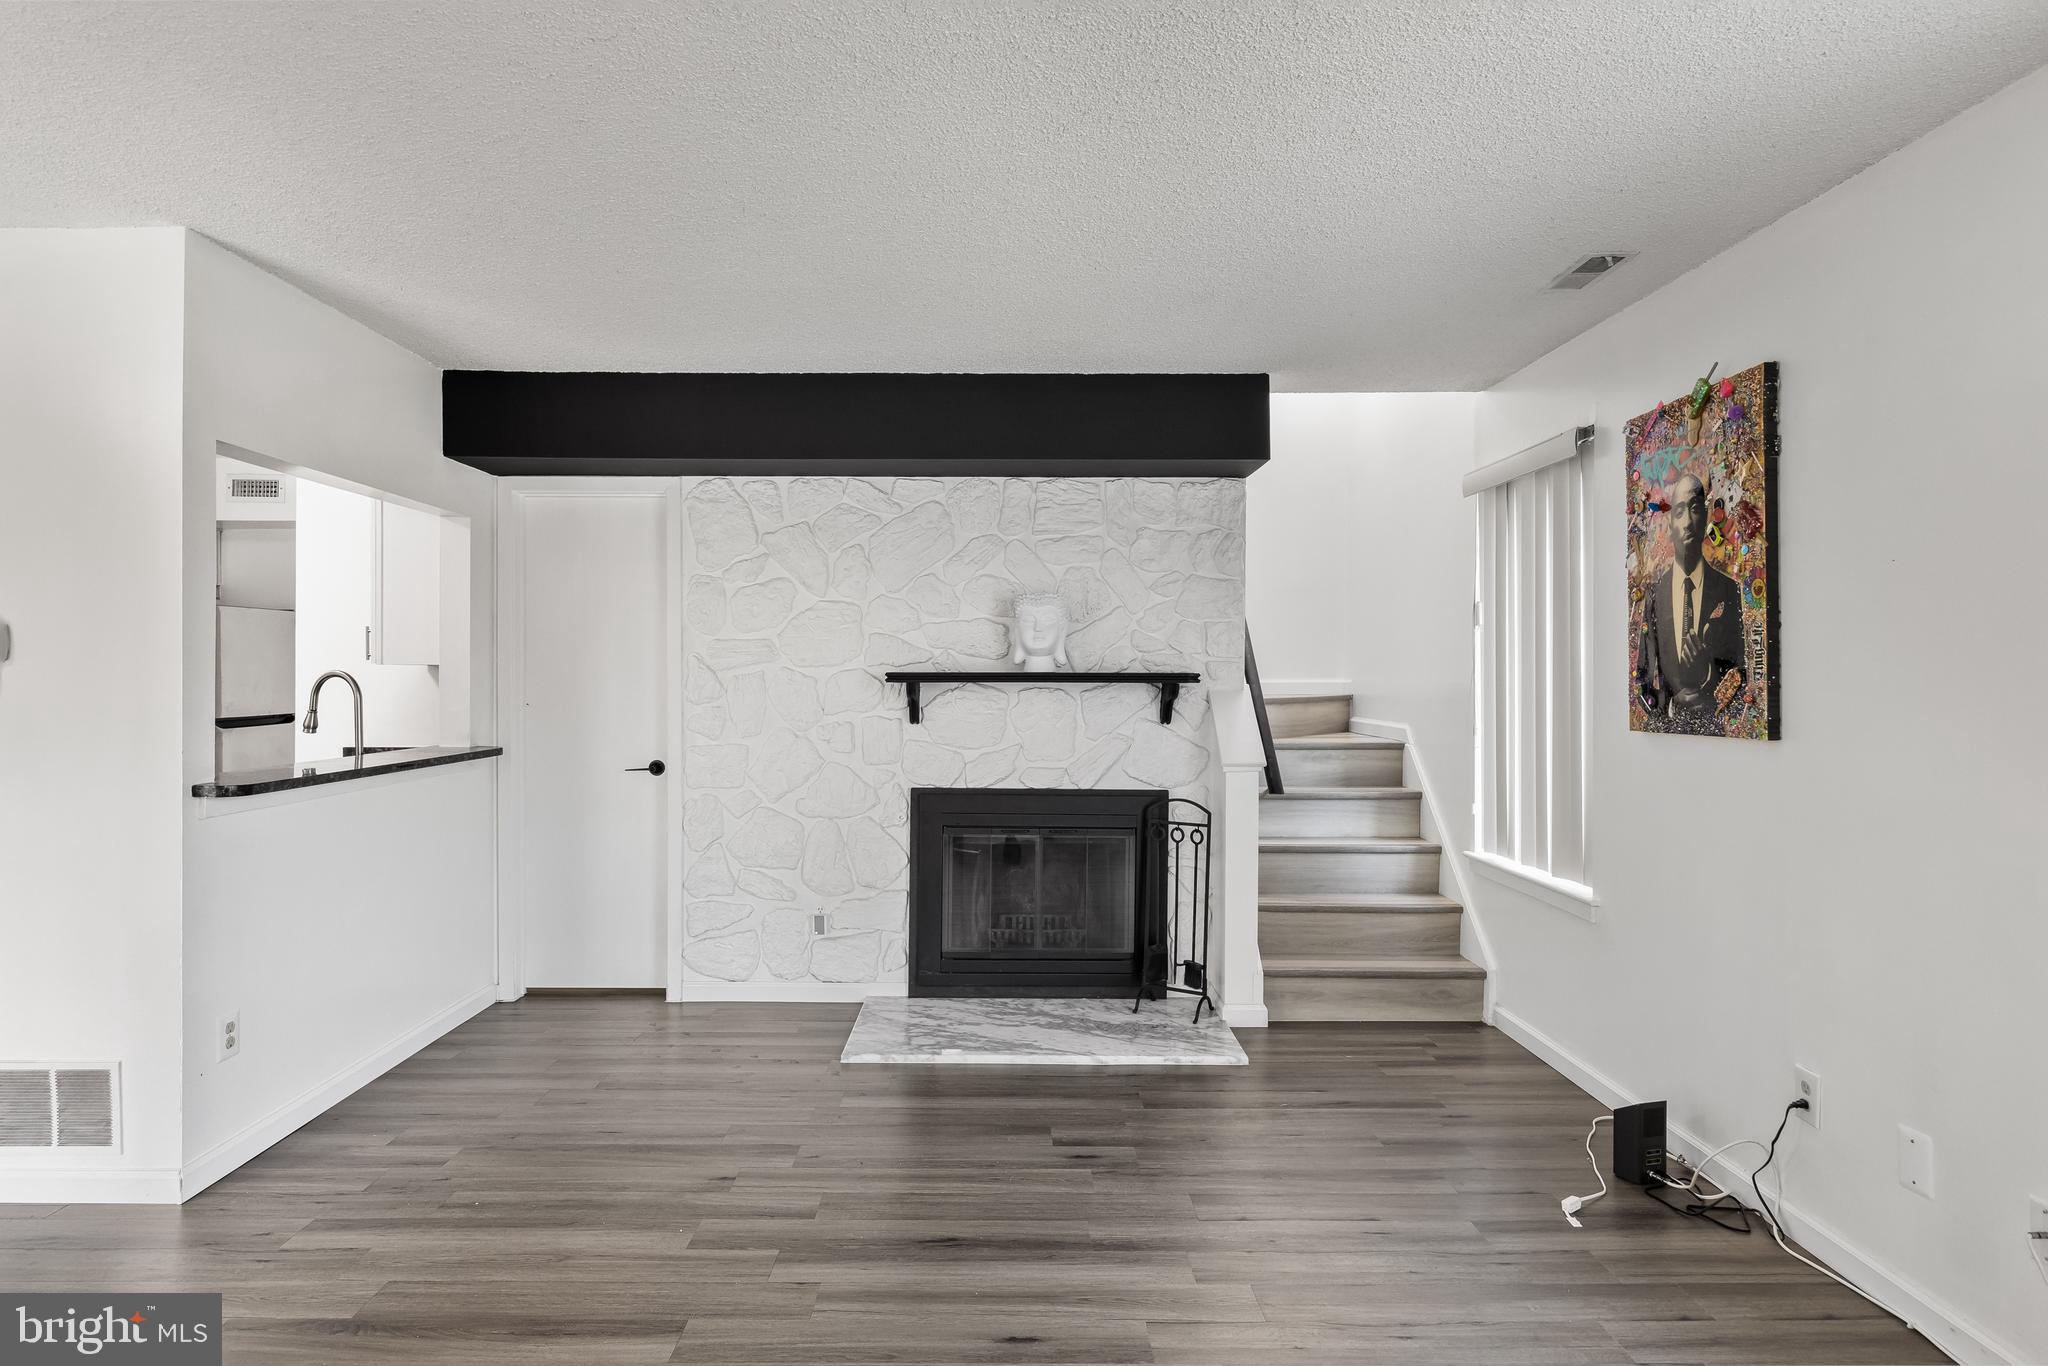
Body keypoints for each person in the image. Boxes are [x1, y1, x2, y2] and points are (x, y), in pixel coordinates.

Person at [1635, 473, 1743, 724]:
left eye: (1694, 509)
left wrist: (1707, 678)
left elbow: (1743, 673)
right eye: (1680, 511)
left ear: (1705, 517)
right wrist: (1671, 706)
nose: (1687, 523)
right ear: (1671, 523)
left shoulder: (1728, 591)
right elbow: (1642, 677)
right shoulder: (1654, 595)